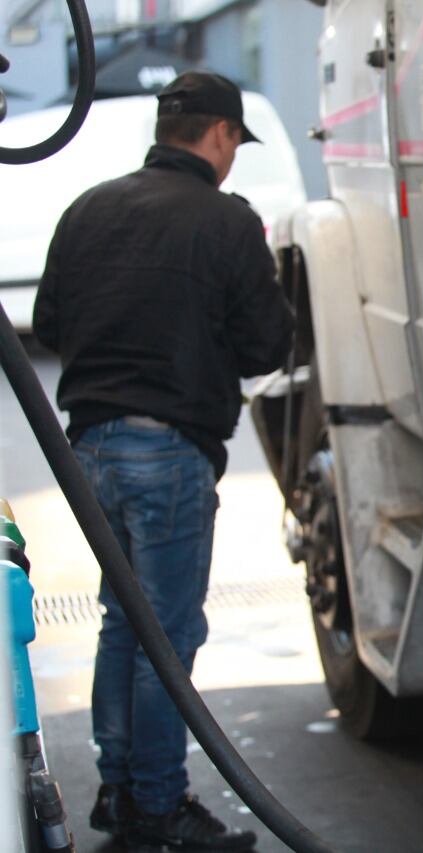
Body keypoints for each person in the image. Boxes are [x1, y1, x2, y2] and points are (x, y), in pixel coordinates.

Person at [33, 71, 294, 851]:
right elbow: (265, 347)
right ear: (219, 135)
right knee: (167, 638)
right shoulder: (226, 222)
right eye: (234, 144)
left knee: (124, 625)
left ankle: (120, 790)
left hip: (89, 451)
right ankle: (157, 804)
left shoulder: (89, 209)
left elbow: (47, 325)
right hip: (168, 453)